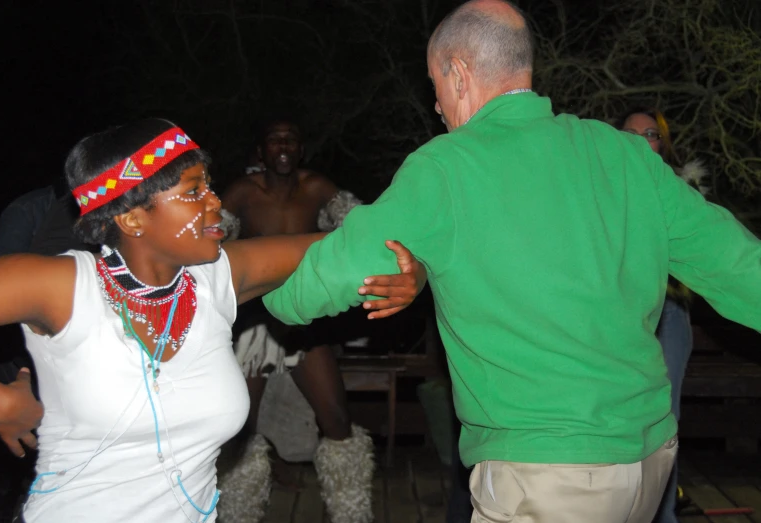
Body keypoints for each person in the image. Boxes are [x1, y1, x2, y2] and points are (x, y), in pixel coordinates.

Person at [259, 1, 761, 522]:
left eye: (435, 87)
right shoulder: (628, 157)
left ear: (458, 74)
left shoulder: (447, 167)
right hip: (647, 463)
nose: (438, 108)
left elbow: (327, 279)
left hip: (548, 474)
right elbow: (740, 267)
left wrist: (252, 293)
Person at [0, 117, 425, 523]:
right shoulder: (63, 285)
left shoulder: (217, 278)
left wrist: (412, 269)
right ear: (133, 216)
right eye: (194, 192)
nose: (215, 203)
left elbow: (344, 244)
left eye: (208, 186)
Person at [218, 115, 371, 523]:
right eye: (274, 139)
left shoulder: (317, 187)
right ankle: (237, 515)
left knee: (337, 419)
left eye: (290, 139)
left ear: (300, 149)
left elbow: (361, 230)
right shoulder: (242, 192)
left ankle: (353, 515)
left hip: (303, 319)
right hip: (253, 321)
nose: (282, 145)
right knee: (238, 429)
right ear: (261, 151)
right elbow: (208, 243)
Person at [0, 180, 94, 523]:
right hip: (25, 353)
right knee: (22, 447)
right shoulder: (32, 208)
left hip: (85, 356)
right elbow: (2, 279)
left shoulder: (117, 209)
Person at [618, 107, 709, 523]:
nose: (642, 140)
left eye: (651, 133)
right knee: (621, 415)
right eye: (631, 133)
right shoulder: (603, 187)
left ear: (663, 143)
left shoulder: (681, 189)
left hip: (668, 314)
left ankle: (665, 514)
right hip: (619, 316)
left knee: (664, 416)